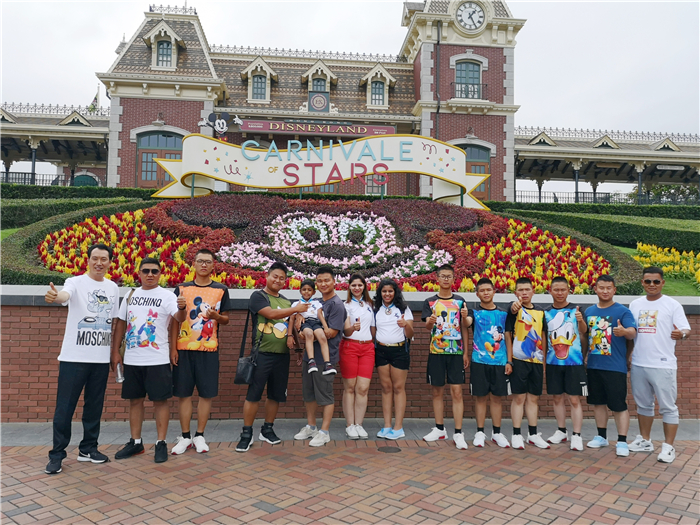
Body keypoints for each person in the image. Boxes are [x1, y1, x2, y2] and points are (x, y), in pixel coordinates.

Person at [44, 243, 119, 475]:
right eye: (95, 258)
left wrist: (114, 353)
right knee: (65, 408)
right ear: (88, 260)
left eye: (104, 259)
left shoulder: (113, 287)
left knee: (94, 407)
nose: (99, 263)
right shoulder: (75, 282)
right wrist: (56, 296)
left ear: (109, 262)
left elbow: (113, 320)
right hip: (73, 358)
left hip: (100, 359)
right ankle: (57, 455)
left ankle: (88, 449)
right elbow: (64, 295)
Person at [111, 257, 186, 463]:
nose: (150, 274)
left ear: (160, 274)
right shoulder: (131, 295)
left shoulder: (167, 296)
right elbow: (121, 323)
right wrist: (115, 352)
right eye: (146, 271)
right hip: (132, 359)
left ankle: (161, 443)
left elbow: (179, 318)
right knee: (135, 401)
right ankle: (136, 442)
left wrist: (182, 308)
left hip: (157, 359)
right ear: (139, 273)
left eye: (154, 271)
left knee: (160, 401)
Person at [236, 262, 308, 452]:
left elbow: (290, 327)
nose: (278, 280)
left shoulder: (286, 301)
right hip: (261, 354)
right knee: (254, 394)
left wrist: (298, 348)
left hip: (282, 355)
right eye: (275, 276)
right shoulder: (258, 296)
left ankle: (267, 429)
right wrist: (295, 310)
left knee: (275, 395)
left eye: (282, 278)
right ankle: (246, 433)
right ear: (267, 276)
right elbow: (270, 313)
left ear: (285, 281)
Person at [169, 248, 233, 455]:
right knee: (184, 394)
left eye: (208, 261)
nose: (204, 265)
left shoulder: (221, 290)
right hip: (184, 349)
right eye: (200, 261)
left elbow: (226, 319)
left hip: (209, 348)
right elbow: (175, 321)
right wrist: (173, 348)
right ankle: (185, 437)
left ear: (213, 265)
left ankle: (200, 435)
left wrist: (216, 316)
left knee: (206, 394)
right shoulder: (181, 289)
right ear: (194, 264)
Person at [628, 267, 691, 463]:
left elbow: (686, 330)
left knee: (668, 407)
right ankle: (645, 440)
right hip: (639, 363)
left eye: (656, 281)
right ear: (642, 282)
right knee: (643, 405)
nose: (652, 285)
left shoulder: (672, 305)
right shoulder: (635, 304)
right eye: (648, 281)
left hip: (663, 364)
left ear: (662, 283)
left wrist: (681, 334)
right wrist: (629, 356)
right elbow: (631, 332)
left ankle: (668, 447)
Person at [582, 275, 636, 457]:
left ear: (614, 290)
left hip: (615, 367)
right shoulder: (589, 311)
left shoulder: (623, 311)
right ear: (595, 289)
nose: (605, 291)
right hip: (594, 365)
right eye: (601, 287)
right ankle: (601, 436)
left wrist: (624, 331)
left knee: (618, 405)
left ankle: (622, 441)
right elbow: (585, 337)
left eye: (608, 288)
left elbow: (632, 333)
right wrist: (584, 357)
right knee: (598, 403)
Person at [294, 266, 347, 446]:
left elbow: (330, 333)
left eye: (327, 280)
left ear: (334, 282)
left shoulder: (337, 305)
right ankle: (311, 426)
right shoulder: (315, 302)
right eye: (320, 281)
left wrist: (306, 333)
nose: (323, 284)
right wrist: (299, 323)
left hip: (326, 359)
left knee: (325, 395)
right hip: (310, 357)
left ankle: (324, 432)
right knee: (309, 393)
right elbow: (300, 320)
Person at [421, 264, 470, 450]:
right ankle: (440, 428)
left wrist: (465, 352)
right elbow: (427, 326)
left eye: (449, 276)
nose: (446, 279)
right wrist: (431, 321)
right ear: (437, 278)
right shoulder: (430, 302)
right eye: (443, 276)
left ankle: (458, 432)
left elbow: (465, 327)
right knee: (437, 391)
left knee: (457, 392)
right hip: (436, 352)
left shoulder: (460, 301)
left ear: (454, 278)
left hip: (456, 353)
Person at [543, 276, 588, 451]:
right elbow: (544, 338)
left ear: (568, 291)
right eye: (556, 290)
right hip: (553, 362)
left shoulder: (577, 310)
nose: (560, 293)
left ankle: (577, 435)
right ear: (550, 291)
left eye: (563, 290)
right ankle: (561, 431)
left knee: (574, 399)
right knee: (556, 398)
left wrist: (580, 320)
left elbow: (584, 332)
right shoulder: (546, 312)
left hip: (574, 363)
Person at [467, 277, 511, 449]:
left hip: (500, 362)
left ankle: (497, 432)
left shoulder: (503, 314)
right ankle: (479, 432)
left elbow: (507, 337)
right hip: (479, 361)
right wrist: (464, 317)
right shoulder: (474, 312)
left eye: (488, 290)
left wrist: (509, 361)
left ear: (494, 291)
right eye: (482, 290)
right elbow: (467, 323)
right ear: (477, 294)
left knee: (496, 399)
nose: (486, 293)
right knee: (480, 398)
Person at [506, 277, 549, 449]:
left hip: (536, 360)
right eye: (520, 290)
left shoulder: (541, 312)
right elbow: (509, 332)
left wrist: (543, 361)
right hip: (518, 360)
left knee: (533, 398)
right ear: (515, 293)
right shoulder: (514, 310)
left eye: (527, 289)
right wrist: (509, 360)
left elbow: (543, 336)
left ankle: (533, 434)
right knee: (519, 398)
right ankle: (516, 434)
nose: (524, 293)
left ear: (533, 291)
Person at [374, 279, 414, 440]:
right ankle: (387, 426)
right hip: (381, 350)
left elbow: (410, 334)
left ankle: (398, 427)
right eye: (384, 291)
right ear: (380, 293)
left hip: (399, 351)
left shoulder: (403, 309)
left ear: (395, 292)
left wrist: (405, 325)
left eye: (390, 291)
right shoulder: (376, 309)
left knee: (398, 387)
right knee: (386, 387)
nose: (387, 294)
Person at [339, 273, 376, 439]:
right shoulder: (345, 305)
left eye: (360, 285)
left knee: (363, 388)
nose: (357, 288)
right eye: (353, 285)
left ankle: (359, 424)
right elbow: (345, 331)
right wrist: (353, 328)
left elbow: (373, 329)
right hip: (350, 346)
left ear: (364, 287)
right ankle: (350, 425)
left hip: (367, 348)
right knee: (350, 387)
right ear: (349, 287)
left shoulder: (370, 305)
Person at [290, 279, 335, 375]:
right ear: (300, 291)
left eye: (309, 290)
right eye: (304, 289)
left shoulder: (317, 303)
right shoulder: (296, 304)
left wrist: (325, 327)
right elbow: (291, 319)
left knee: (322, 336)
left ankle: (327, 363)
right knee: (309, 334)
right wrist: (290, 334)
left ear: (314, 292)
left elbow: (320, 315)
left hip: (315, 322)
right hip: (305, 322)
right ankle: (311, 361)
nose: (306, 292)